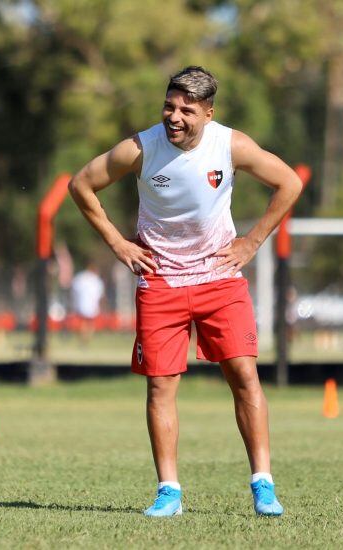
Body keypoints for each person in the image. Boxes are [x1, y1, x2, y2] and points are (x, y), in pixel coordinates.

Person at [68, 66, 302, 517]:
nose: (174, 117)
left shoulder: (230, 144)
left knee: (244, 376)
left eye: (186, 111)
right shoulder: (140, 147)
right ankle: (169, 492)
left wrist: (251, 242)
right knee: (160, 386)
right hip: (160, 284)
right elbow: (81, 185)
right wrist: (117, 243)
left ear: (208, 114)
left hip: (220, 280)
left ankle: (263, 485)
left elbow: (289, 182)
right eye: (169, 106)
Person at [70, 262, 105, 340]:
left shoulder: (80, 277)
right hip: (91, 303)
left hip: (81, 302)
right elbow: (100, 294)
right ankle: (85, 337)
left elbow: (74, 289)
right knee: (89, 322)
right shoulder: (96, 279)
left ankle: (83, 337)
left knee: (83, 321)